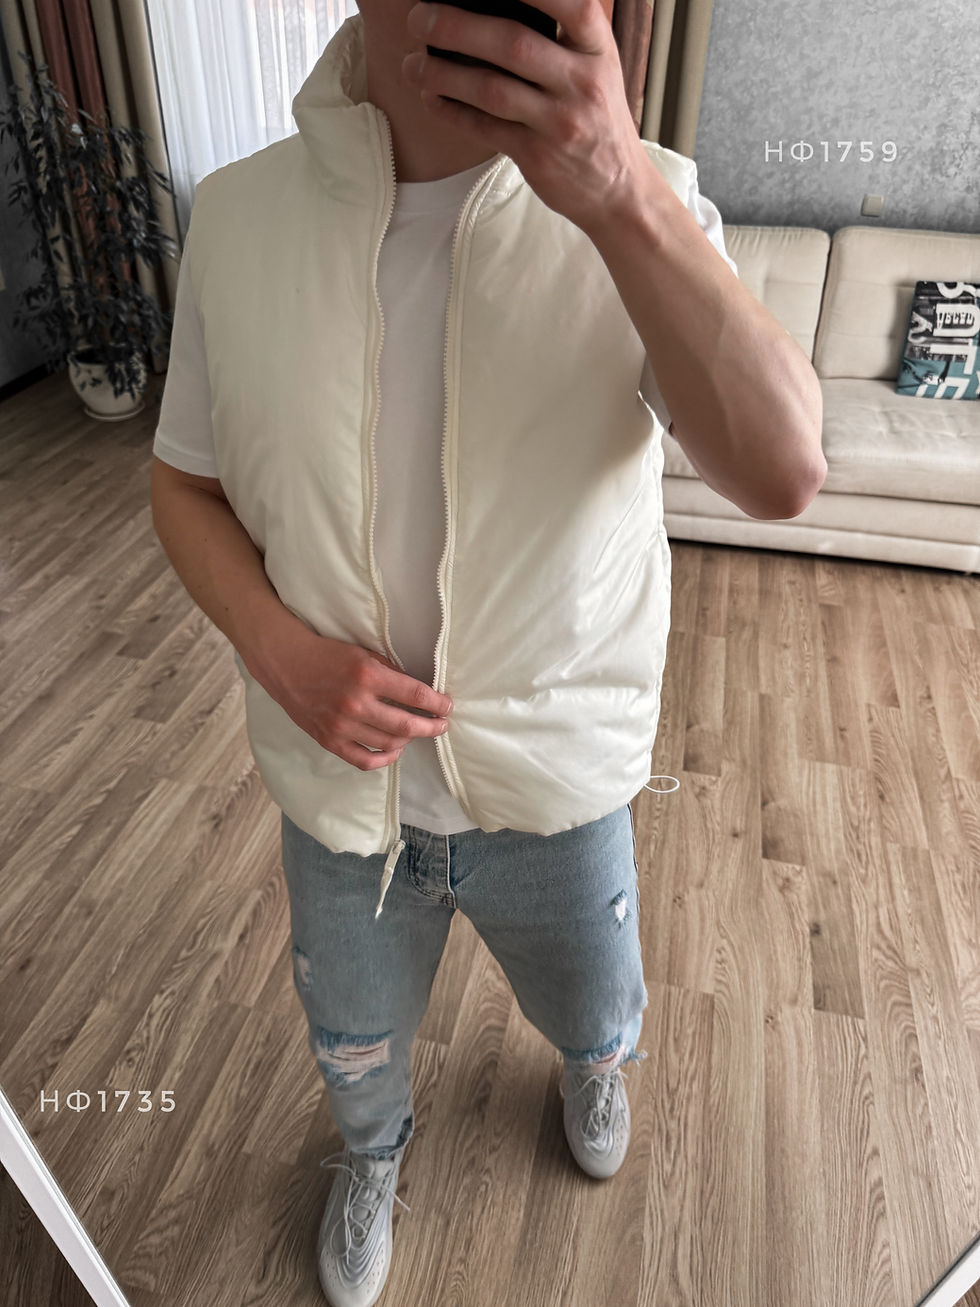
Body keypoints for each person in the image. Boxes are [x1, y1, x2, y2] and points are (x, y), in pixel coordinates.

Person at [150, 0, 825, 1302]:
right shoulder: (236, 218)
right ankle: (372, 1151)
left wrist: (620, 195)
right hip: (338, 791)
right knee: (352, 1035)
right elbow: (185, 485)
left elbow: (783, 470)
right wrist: (278, 651)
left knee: (596, 1002)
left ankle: (593, 1068)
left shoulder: (650, 205)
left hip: (558, 787)